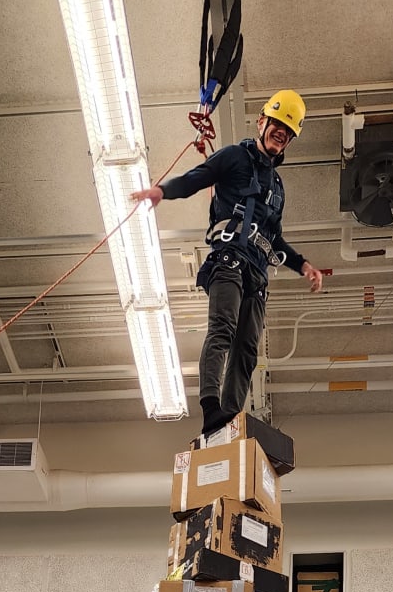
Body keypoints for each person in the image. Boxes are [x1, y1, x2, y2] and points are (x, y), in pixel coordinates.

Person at [132, 89, 323, 435]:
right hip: (230, 258)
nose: (281, 135)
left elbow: (274, 237)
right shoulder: (235, 157)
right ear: (262, 121)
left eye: (288, 133)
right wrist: (163, 191)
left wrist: (302, 265)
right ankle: (210, 408)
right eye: (277, 126)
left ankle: (230, 421)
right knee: (224, 328)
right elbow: (198, 177)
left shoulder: (277, 187)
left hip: (257, 273)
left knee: (247, 350)